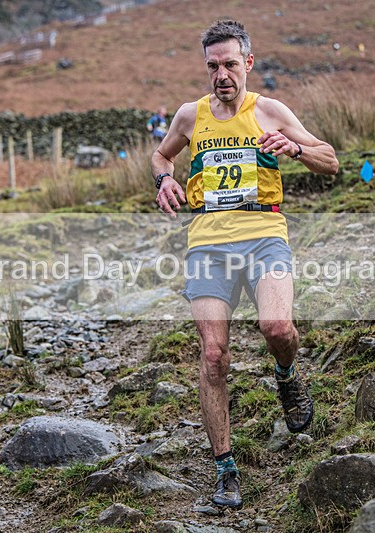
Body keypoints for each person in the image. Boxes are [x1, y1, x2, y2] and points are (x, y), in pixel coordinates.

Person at [151, 20, 339, 510]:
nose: (221, 75)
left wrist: (295, 149)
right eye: (213, 66)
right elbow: (159, 154)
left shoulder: (270, 111)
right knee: (214, 355)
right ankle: (225, 470)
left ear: (248, 64)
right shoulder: (190, 116)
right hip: (207, 245)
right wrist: (163, 181)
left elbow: (331, 160)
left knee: (277, 327)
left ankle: (286, 374)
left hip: (263, 237)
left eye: (230, 64)